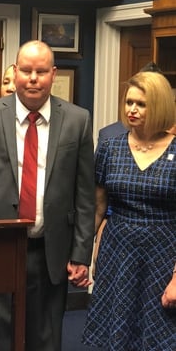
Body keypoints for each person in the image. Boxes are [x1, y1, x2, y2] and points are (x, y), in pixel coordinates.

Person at [0, 40, 95, 351]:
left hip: (52, 249)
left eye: (42, 71)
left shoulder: (77, 120)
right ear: (16, 72)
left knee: (46, 338)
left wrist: (80, 254)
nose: (34, 78)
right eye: (27, 71)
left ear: (53, 74)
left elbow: (84, 194)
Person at [83, 71, 176, 350]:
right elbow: (97, 208)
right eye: (129, 102)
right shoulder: (110, 147)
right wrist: (83, 255)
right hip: (118, 253)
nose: (132, 109)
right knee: (117, 334)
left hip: (163, 255)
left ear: (159, 106)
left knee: (159, 337)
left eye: (142, 104)